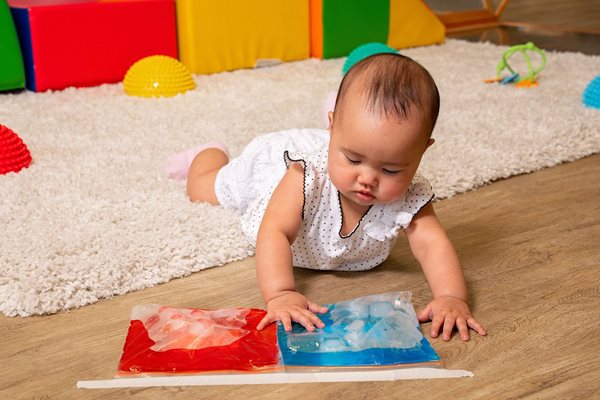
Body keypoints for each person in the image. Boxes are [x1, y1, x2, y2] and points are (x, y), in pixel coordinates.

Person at [164, 53, 486, 342]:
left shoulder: (411, 194)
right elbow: (274, 231)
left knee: (362, 147)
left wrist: (451, 297)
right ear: (333, 129)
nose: (367, 179)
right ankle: (208, 153)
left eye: (390, 170)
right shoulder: (306, 176)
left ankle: (349, 133)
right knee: (206, 190)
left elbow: (432, 244)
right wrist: (281, 293)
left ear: (421, 152)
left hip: (341, 140)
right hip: (270, 170)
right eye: (354, 160)